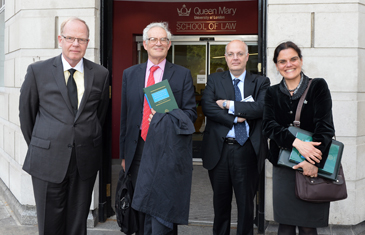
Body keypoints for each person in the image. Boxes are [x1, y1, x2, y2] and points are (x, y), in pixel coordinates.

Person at [19, 17, 109, 235]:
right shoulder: (37, 71)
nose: (75, 44)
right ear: (60, 39)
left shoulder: (100, 74)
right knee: (50, 223)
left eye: (81, 39)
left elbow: (100, 116)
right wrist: (44, 144)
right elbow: (27, 116)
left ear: (88, 42)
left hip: (84, 161)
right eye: (70, 38)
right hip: (47, 161)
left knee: (78, 223)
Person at [119, 22, 197, 235]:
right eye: (153, 39)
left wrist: (166, 115)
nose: (158, 43)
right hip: (137, 150)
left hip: (166, 151)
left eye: (163, 39)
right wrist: (124, 155)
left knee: (163, 208)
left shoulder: (181, 74)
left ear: (169, 44)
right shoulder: (130, 74)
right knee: (139, 207)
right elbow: (125, 117)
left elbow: (190, 116)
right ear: (144, 44)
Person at [262, 41, 335, 235]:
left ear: (301, 60)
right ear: (277, 65)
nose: (289, 64)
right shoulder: (272, 92)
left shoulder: (318, 86)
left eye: (293, 59)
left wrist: (313, 162)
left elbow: (325, 128)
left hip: (312, 164)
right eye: (282, 61)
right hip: (283, 166)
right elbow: (268, 126)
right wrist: (296, 143)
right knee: (284, 226)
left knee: (307, 226)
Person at [201, 40, 270, 235]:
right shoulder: (214, 80)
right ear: (225, 57)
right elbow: (208, 107)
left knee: (246, 205)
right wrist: (235, 119)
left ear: (247, 57)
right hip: (219, 150)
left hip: (247, 149)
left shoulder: (261, 82)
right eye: (231, 54)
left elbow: (261, 108)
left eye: (240, 54)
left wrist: (228, 104)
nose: (235, 58)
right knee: (220, 204)